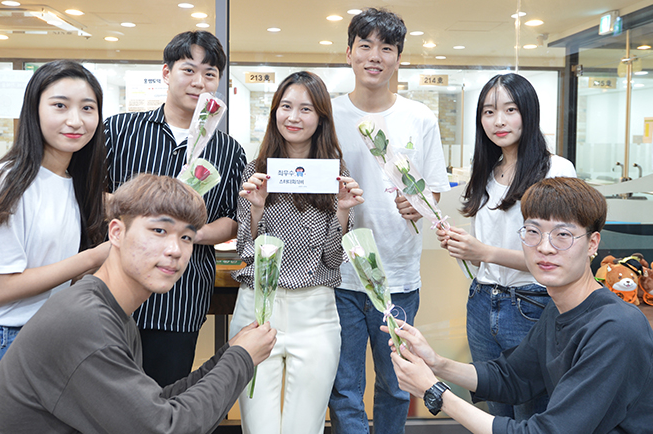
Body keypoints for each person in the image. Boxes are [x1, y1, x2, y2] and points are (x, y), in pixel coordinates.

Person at [0, 174, 277, 434]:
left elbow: (154, 405)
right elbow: (165, 428)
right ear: (116, 232)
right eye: (159, 230)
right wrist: (240, 359)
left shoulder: (111, 311)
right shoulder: (86, 322)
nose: (175, 250)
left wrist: (228, 354)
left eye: (186, 237)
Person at [387, 176, 653, 433]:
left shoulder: (617, 328)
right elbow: (512, 377)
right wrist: (436, 363)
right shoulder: (558, 308)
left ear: (592, 243)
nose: (545, 247)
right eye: (533, 232)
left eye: (563, 235)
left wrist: (434, 392)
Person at [0, 60, 109, 433]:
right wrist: (94, 257)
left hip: (36, 337)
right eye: (60, 105)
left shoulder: (74, 182)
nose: (75, 120)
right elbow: (0, 289)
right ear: (34, 109)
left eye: (87, 108)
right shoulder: (6, 180)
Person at [328, 8, 450, 434]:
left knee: (397, 384)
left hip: (397, 276)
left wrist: (420, 205)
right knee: (344, 387)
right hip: (340, 275)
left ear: (399, 57)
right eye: (365, 46)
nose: (374, 56)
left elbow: (434, 190)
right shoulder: (328, 114)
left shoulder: (420, 117)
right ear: (349, 53)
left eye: (386, 48)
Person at [105, 30, 246, 387]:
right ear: (166, 73)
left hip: (180, 298)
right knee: (100, 396)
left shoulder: (229, 150)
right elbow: (93, 195)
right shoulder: (120, 130)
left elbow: (233, 220)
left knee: (164, 397)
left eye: (210, 74)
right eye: (189, 70)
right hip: (114, 292)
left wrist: (185, 235)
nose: (199, 82)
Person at [434, 74, 576, 419]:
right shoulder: (486, 171)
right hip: (482, 302)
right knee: (495, 410)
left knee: (534, 413)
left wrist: (484, 252)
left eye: (510, 110)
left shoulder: (555, 170)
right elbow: (484, 255)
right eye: (489, 112)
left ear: (529, 112)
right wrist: (463, 246)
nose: (498, 121)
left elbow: (559, 256)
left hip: (532, 305)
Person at [229, 71, 364, 434]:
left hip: (315, 311)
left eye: (306, 109)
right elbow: (246, 252)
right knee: (259, 427)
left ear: (321, 118)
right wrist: (256, 208)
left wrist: (343, 211)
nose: (293, 117)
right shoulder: (256, 172)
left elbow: (334, 260)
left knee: (304, 427)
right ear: (274, 111)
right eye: (286, 106)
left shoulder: (335, 174)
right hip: (258, 308)